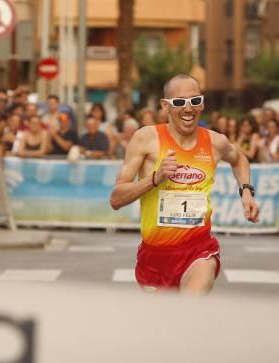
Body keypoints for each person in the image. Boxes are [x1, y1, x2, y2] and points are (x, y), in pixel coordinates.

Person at [109, 74, 259, 294]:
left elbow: (240, 160)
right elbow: (116, 198)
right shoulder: (146, 139)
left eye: (194, 101)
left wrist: (246, 191)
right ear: (165, 106)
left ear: (202, 103)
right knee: (164, 325)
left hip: (198, 249)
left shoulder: (216, 141)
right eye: (179, 102)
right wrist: (154, 179)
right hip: (155, 256)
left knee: (190, 310)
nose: (188, 109)